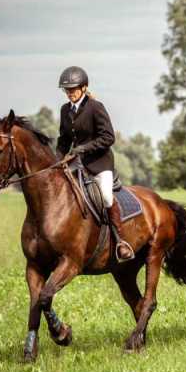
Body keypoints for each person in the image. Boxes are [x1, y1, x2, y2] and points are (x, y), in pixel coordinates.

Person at [55, 66, 134, 261]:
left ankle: (120, 240)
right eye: (67, 90)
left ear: (84, 87)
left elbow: (108, 137)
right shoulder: (65, 110)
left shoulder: (95, 107)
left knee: (106, 197)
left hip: (99, 163)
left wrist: (83, 149)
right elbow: (64, 139)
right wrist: (57, 160)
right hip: (76, 164)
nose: (70, 93)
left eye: (73, 89)